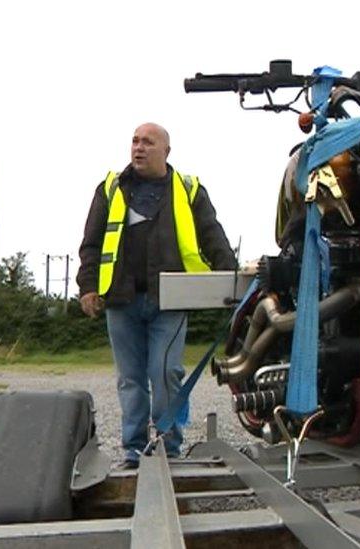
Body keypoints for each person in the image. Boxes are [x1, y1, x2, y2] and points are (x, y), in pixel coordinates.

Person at [77, 123, 235, 467]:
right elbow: (91, 243)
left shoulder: (189, 189)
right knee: (130, 378)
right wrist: (88, 286)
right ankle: (134, 450)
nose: (139, 148)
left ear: (166, 151)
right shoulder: (110, 188)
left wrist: (232, 281)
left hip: (171, 300)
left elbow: (212, 235)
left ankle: (168, 447)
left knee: (165, 372)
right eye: (134, 141)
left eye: (148, 142)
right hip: (120, 300)